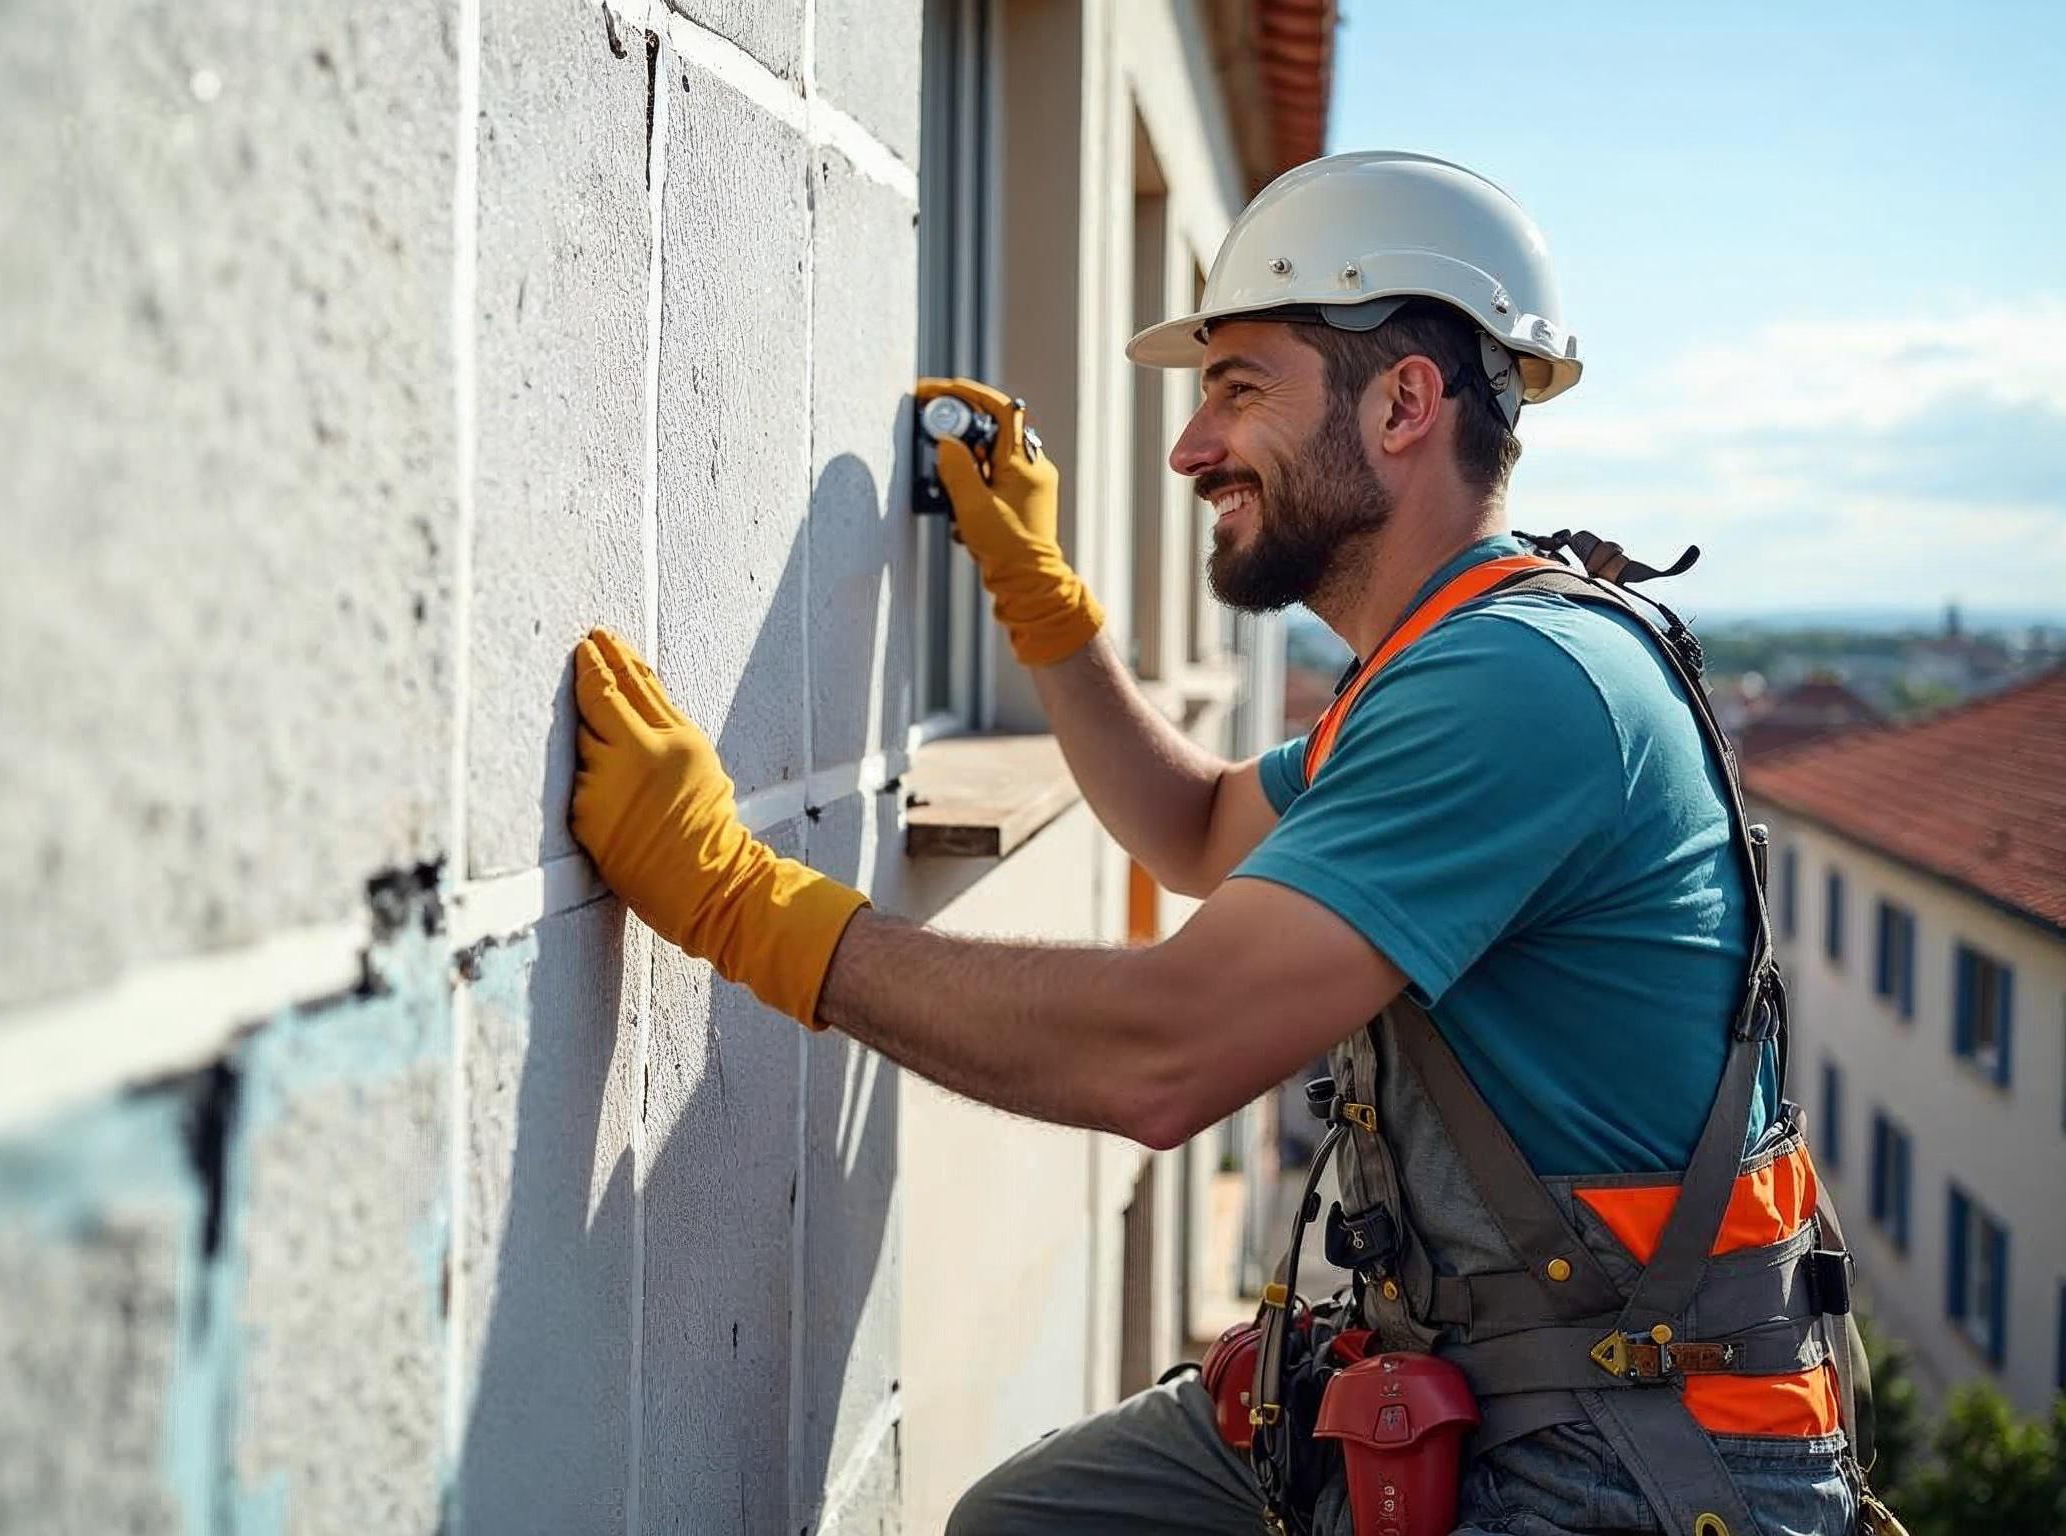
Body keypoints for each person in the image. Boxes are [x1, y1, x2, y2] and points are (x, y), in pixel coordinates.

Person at [566, 151, 1867, 1536]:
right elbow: (1192, 828)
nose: (1191, 449)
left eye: (1239, 389)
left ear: (1404, 403)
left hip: (1633, 1456)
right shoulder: (1438, 667)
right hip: (1484, 1383)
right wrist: (1039, 603)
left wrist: (738, 904)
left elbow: (1164, 1053)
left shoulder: (1521, 691)